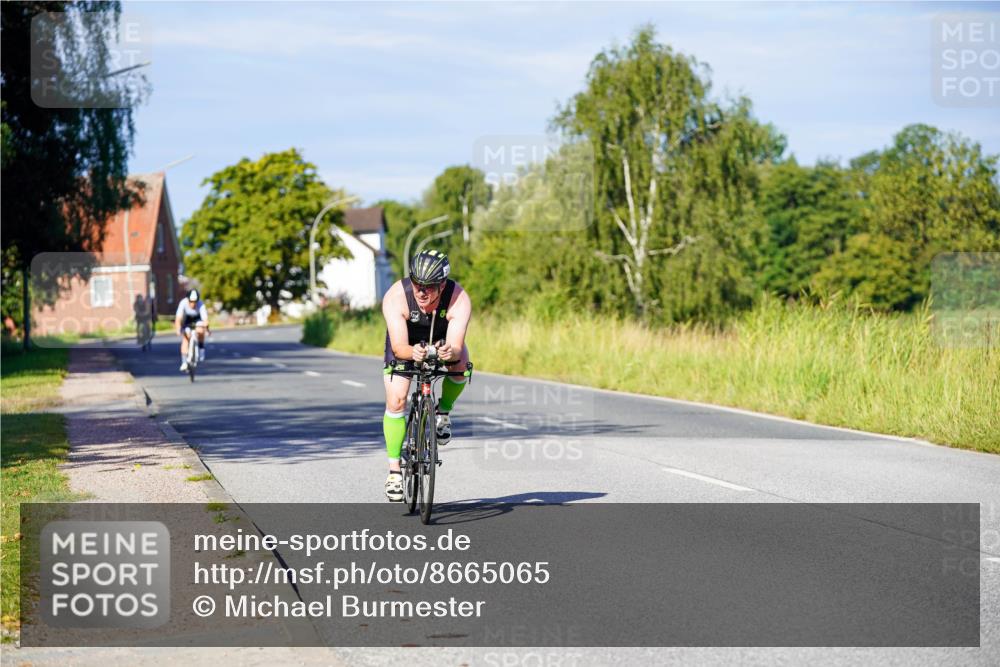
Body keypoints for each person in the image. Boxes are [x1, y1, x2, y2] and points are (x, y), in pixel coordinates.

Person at [381, 249, 472, 502]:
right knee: (397, 399)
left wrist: (448, 351)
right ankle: (394, 472)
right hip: (406, 342)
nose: (421, 292)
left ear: (442, 285)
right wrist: (414, 352)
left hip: (441, 337)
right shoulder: (396, 297)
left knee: (461, 363)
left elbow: (455, 346)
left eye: (429, 287)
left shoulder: (459, 298)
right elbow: (399, 348)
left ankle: (442, 412)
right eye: (417, 284)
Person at [175, 289, 209, 372]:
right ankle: (184, 362)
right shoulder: (183, 303)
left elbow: (205, 319)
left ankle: (201, 348)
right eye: (191, 301)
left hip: (198, 319)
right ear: (188, 300)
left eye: (195, 302)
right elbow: (178, 319)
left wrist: (207, 328)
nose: (193, 304)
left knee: (200, 330)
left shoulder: (201, 304)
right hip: (187, 320)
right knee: (186, 338)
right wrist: (178, 329)